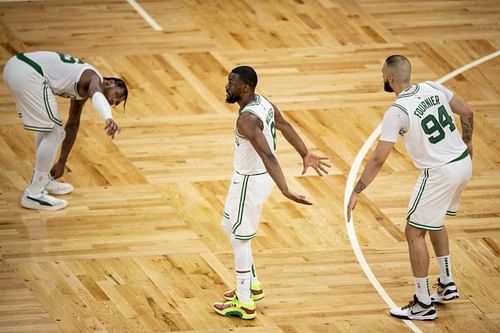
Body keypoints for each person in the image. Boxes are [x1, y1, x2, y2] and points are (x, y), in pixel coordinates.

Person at [347, 55, 473, 321]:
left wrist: (358, 190)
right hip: (463, 164)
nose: (382, 77)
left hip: (439, 173)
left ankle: (422, 303)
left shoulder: (397, 111)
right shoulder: (432, 87)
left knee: (413, 232)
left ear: (390, 78)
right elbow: (467, 112)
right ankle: (447, 284)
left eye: (383, 73)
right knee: (435, 221)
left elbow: (379, 158)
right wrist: (467, 141)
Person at [213, 66, 331, 320]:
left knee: (239, 239)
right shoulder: (262, 102)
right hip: (252, 179)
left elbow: (268, 155)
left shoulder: (246, 119)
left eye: (232, 82)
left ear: (245, 87)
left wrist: (286, 190)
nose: (227, 86)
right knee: (229, 227)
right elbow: (285, 125)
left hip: (249, 181)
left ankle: (244, 303)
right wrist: (305, 153)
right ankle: (251, 284)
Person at [3, 51, 128, 210]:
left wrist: (62, 161)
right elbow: (97, 95)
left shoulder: (83, 89)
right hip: (28, 71)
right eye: (116, 95)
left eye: (117, 102)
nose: (114, 101)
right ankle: (34, 193)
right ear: (109, 82)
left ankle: (43, 179)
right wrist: (108, 117)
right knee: (55, 132)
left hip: (16, 68)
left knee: (48, 128)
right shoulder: (93, 78)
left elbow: (73, 124)